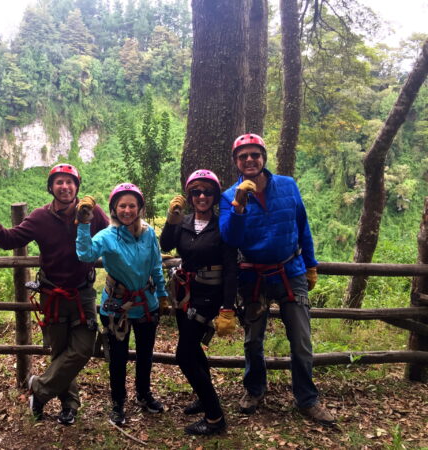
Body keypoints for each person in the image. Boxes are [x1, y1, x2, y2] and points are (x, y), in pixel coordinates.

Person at [0, 163, 109, 426]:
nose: (65, 187)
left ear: (77, 187)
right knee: (60, 352)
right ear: (51, 188)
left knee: (82, 349)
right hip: (52, 295)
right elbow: (9, 240)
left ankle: (39, 389)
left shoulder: (92, 213)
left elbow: (114, 236)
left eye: (70, 182)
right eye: (59, 182)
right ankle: (69, 405)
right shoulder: (40, 217)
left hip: (83, 293)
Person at [218, 133, 336, 426]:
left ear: (263, 158)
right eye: (243, 156)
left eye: (254, 155)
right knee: (252, 340)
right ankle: (254, 390)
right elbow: (229, 238)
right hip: (253, 276)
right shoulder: (228, 196)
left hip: (289, 271)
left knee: (301, 339)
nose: (249, 160)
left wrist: (311, 264)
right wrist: (239, 206)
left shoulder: (287, 185)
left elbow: (302, 225)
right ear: (236, 162)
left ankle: (307, 398)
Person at [75, 183, 168, 426]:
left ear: (139, 208)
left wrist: (163, 294)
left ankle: (144, 394)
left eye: (132, 205)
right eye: (122, 205)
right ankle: (117, 403)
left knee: (145, 354)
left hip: (147, 303)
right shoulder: (107, 236)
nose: (127, 210)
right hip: (116, 307)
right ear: (114, 209)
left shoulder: (148, 233)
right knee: (117, 357)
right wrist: (84, 224)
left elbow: (156, 265)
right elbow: (85, 255)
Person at [160, 169, 238, 436]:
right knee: (193, 350)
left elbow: (230, 268)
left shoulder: (222, 226)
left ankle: (215, 417)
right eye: (196, 192)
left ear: (215, 196)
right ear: (190, 196)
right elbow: (166, 244)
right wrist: (172, 219)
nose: (201, 196)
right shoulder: (185, 222)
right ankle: (203, 397)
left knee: (184, 355)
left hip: (208, 296)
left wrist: (228, 307)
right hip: (185, 292)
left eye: (207, 191)